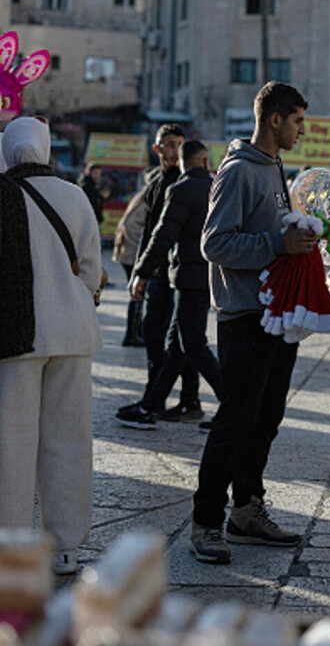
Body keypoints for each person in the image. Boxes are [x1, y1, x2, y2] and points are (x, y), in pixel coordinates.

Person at [189, 82, 316, 564]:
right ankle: (205, 522)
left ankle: (246, 510)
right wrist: (276, 246)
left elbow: (268, 230)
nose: (303, 129)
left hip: (277, 313)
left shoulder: (274, 166)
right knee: (235, 420)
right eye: (298, 120)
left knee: (265, 419)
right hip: (245, 314)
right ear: (275, 119)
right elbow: (215, 244)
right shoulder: (239, 171)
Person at [0, 117, 103, 575]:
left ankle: (12, 542)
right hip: (73, 333)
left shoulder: (2, 195)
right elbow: (91, 270)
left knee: (12, 442)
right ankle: (65, 547)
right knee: (70, 439)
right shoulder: (75, 196)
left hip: (16, 336)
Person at [120, 141, 224, 429]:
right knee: (176, 346)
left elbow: (163, 235)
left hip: (188, 278)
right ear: (205, 161)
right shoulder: (218, 188)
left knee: (193, 345)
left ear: (181, 163)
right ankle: (150, 406)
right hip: (208, 276)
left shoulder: (180, 190)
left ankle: (234, 406)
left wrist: (141, 272)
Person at [113, 185, 148, 346]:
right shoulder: (148, 195)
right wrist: (140, 254)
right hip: (131, 254)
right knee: (138, 293)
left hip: (126, 251)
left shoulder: (142, 193)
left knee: (137, 294)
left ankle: (135, 333)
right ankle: (132, 335)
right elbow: (132, 225)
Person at [78, 162, 105, 227]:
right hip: (88, 219)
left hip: (93, 218)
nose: (97, 176)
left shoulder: (93, 184)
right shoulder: (86, 185)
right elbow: (91, 202)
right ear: (88, 172)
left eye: (99, 174)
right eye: (95, 173)